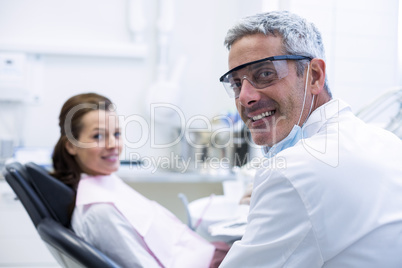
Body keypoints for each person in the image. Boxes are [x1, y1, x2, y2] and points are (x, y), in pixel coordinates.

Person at [218, 11, 402, 267]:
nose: (245, 97)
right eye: (236, 84)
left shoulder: (292, 172)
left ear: (314, 76)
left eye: (265, 74)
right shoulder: (388, 142)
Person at [51, 93, 229, 268]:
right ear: (71, 145)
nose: (113, 144)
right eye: (98, 136)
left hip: (201, 254)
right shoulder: (99, 212)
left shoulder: (105, 183)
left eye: (117, 133)